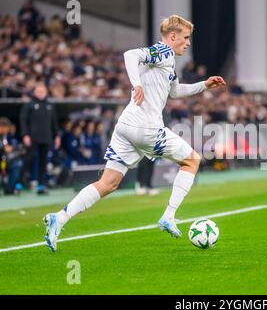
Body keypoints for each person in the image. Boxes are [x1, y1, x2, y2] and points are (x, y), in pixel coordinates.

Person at [43, 15, 226, 252]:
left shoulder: (168, 61)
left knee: (108, 183)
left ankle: (60, 217)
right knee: (192, 160)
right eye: (186, 37)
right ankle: (169, 216)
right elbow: (130, 55)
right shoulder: (164, 51)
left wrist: (204, 85)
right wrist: (136, 84)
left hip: (127, 126)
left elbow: (176, 92)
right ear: (173, 36)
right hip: (145, 127)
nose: (188, 43)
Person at [20, 83, 60, 194]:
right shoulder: (29, 105)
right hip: (32, 138)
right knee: (27, 160)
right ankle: (18, 184)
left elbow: (54, 123)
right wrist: (25, 134)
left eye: (43, 91)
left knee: (44, 162)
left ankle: (41, 186)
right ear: (34, 92)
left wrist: (57, 136)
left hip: (46, 138)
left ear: (46, 92)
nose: (41, 93)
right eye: (39, 91)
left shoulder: (50, 106)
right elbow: (23, 121)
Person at [0, 117, 24, 195]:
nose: (6, 130)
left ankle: (9, 188)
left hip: (6, 162)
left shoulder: (9, 136)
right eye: (4, 128)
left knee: (17, 164)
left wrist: (12, 147)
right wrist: (3, 147)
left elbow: (18, 146)